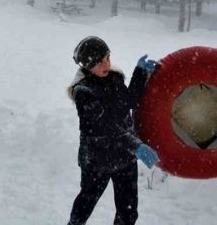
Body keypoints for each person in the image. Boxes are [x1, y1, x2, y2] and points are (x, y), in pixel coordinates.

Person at [65, 36, 159, 225]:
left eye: (107, 58)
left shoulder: (114, 78)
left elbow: (129, 101)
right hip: (97, 159)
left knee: (128, 209)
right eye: (99, 62)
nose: (106, 64)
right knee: (87, 200)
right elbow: (103, 127)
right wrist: (136, 145)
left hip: (124, 156)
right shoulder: (83, 92)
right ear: (88, 65)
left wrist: (140, 73)